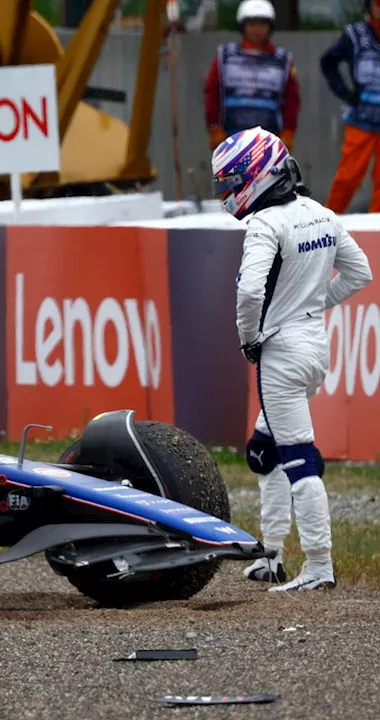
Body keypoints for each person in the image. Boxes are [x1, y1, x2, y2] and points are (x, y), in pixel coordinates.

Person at [212, 127, 372, 592]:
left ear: (260, 175)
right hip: (314, 350)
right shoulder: (321, 214)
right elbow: (360, 272)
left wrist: (250, 338)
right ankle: (271, 554)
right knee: (264, 454)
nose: (229, 191)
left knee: (299, 460)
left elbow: (248, 291)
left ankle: (320, 566)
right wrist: (314, 305)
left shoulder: (265, 224)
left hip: (281, 354)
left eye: (234, 181)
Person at [204, 0, 300, 152]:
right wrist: (214, 127)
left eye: (262, 25)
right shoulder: (225, 56)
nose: (257, 30)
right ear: (243, 26)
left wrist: (288, 131)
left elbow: (292, 99)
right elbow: (211, 92)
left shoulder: (283, 60)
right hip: (230, 138)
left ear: (270, 27)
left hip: (269, 140)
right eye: (252, 25)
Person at [322, 0, 380, 213]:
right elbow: (328, 63)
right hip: (361, 119)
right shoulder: (355, 35)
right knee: (348, 177)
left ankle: (377, 231)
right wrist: (345, 93)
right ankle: (326, 223)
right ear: (370, 6)